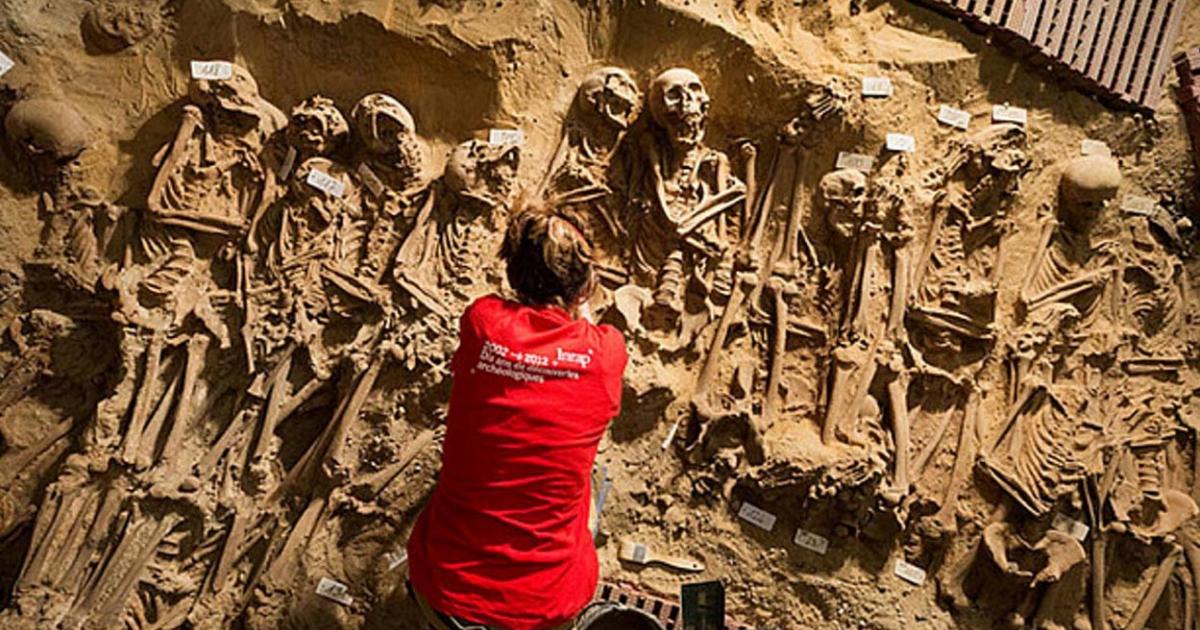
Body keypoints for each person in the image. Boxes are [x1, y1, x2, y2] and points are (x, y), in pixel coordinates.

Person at [406, 199, 628, 630]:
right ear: (586, 286)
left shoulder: (483, 323)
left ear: (513, 274)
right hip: (546, 607)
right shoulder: (605, 354)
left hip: (446, 589)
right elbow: (588, 328)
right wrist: (579, 303)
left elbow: (510, 315)